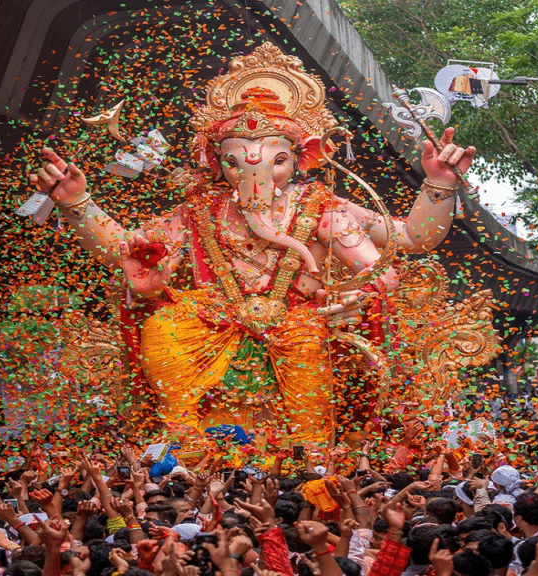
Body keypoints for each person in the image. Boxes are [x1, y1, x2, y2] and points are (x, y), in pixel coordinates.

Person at [30, 42, 477, 445]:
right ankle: (183, 447)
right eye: (235, 159)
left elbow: (409, 241)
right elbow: (131, 252)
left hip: (299, 321)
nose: (254, 171)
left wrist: (436, 185)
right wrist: (78, 205)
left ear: (302, 158)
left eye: (275, 159)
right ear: (217, 160)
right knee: (162, 332)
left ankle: (311, 456)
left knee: (308, 361)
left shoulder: (320, 206)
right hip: (209, 318)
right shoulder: (197, 210)